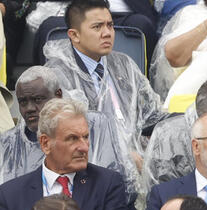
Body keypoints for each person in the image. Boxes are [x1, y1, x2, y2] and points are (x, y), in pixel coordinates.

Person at [41, 0, 164, 156]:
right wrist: (124, 157)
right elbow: (69, 136)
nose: (107, 33)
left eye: (110, 25)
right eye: (97, 27)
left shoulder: (123, 63)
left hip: (135, 152)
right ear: (74, 35)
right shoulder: (57, 75)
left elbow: (151, 115)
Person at [0, 68, 131, 188]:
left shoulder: (97, 126)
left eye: (38, 99)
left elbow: (121, 186)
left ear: (58, 95)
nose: (29, 108)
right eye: (23, 102)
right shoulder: (8, 143)